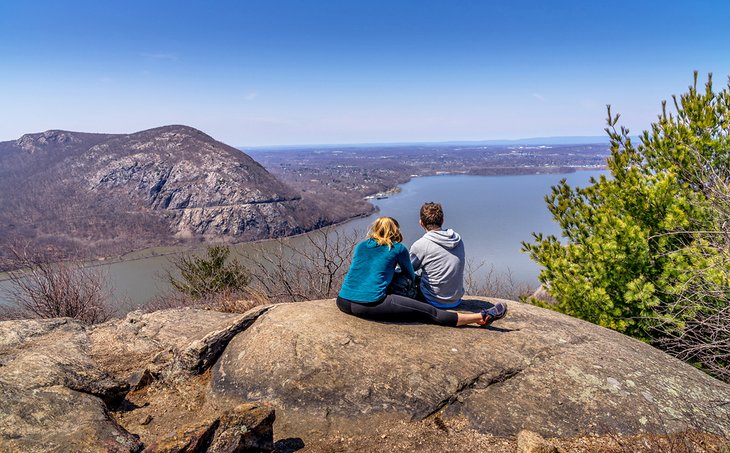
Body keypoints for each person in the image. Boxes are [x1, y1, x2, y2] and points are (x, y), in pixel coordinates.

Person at [336, 216, 506, 327]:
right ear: (395, 231)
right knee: (429, 313)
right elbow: (409, 275)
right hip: (369, 304)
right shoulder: (397, 249)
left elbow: (363, 271)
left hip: (343, 301)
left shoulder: (361, 246)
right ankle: (480, 317)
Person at [410, 202, 466, 309]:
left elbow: (408, 268)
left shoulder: (421, 245)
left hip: (433, 300)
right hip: (456, 299)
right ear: (442, 220)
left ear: (421, 223)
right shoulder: (457, 239)